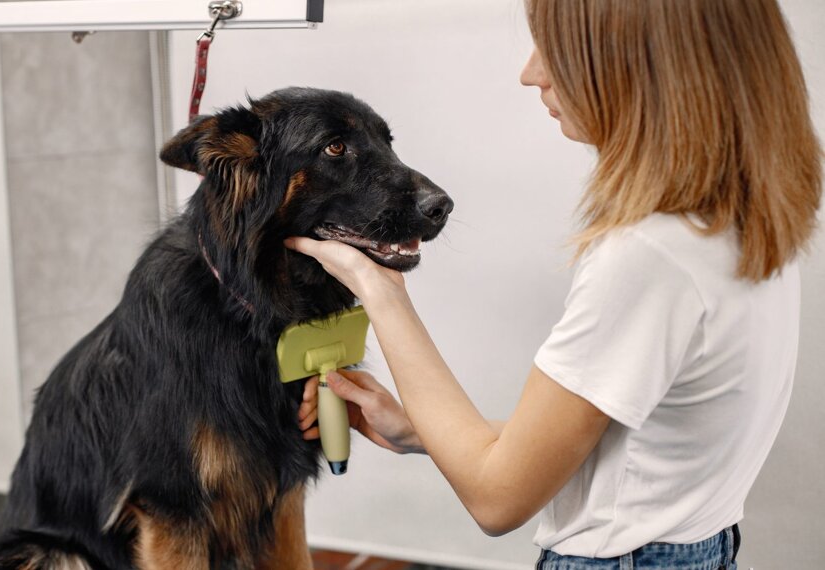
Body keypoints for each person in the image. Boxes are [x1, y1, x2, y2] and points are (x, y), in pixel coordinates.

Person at [287, 0, 823, 568]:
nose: (531, 72)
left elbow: (496, 500)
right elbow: (637, 456)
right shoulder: (743, 217)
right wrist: (419, 428)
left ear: (637, 63)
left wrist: (382, 291)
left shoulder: (648, 256)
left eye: (556, 49)